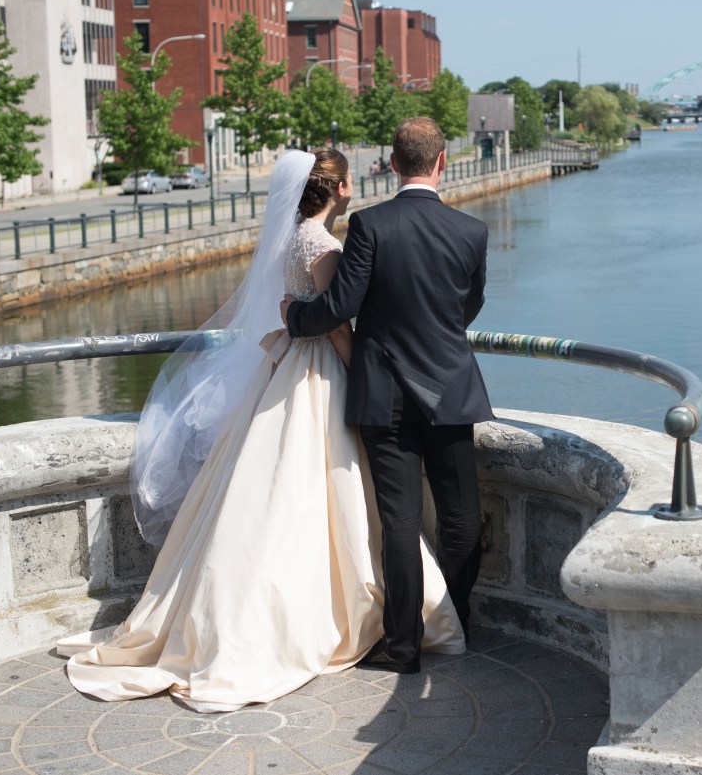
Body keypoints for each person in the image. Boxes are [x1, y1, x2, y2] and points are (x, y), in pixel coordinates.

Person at [56, 149, 465, 712]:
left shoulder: (295, 235)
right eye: (348, 184)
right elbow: (336, 319)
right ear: (339, 188)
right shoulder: (321, 245)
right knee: (324, 486)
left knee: (279, 490)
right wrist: (357, 368)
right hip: (319, 371)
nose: (352, 191)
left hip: (290, 367)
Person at [283, 117, 492, 675]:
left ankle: (403, 647)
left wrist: (292, 315)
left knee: (398, 523)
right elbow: (468, 309)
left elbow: (338, 306)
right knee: (462, 519)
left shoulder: (369, 225)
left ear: (392, 164)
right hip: (450, 388)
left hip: (385, 394)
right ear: (442, 162)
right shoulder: (472, 231)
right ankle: (459, 622)